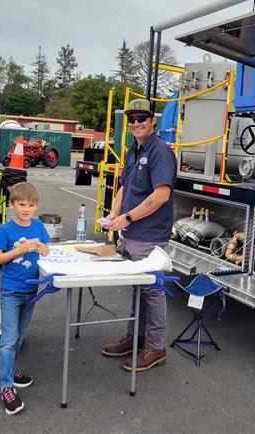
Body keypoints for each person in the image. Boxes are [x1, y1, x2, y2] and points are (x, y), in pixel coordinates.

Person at [102, 98, 177, 372]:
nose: (136, 123)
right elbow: (125, 186)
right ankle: (136, 337)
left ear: (152, 119)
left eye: (141, 118)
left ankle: (155, 347)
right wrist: (114, 213)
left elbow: (161, 195)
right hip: (132, 232)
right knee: (139, 288)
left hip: (150, 234)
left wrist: (128, 217)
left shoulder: (160, 152)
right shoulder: (133, 150)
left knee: (152, 289)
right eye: (131, 119)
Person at [0, 182, 50, 415]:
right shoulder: (6, 230)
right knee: (8, 338)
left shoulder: (38, 226)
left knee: (19, 337)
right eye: (22, 204)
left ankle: (8, 368)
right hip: (10, 291)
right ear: (12, 205)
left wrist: (43, 249)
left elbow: (47, 249)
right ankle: (5, 384)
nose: (27, 209)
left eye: (31, 205)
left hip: (30, 290)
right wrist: (20, 250)